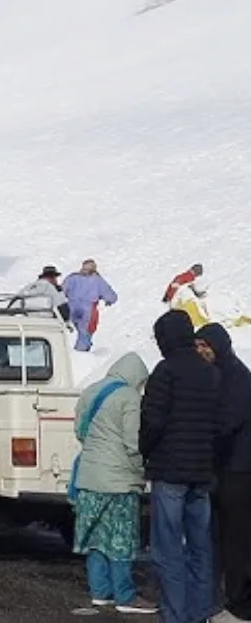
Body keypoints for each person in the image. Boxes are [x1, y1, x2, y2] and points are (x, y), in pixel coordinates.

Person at [140, 309, 221, 623]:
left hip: (170, 470)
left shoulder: (165, 371)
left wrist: (144, 451)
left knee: (168, 549)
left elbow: (152, 420)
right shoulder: (211, 372)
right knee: (200, 548)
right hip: (202, 471)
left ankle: (175, 615)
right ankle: (199, 614)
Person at [70, 352, 157, 614]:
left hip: (88, 478)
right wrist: (141, 472)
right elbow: (133, 443)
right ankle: (125, 597)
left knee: (96, 537)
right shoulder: (129, 397)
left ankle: (100, 592)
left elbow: (79, 431)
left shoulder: (91, 391)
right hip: (118, 482)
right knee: (120, 538)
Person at [197, 323, 251, 622]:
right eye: (198, 346)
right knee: (219, 536)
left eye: (205, 345)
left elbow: (227, 422)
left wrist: (199, 432)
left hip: (239, 469)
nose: (201, 351)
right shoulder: (219, 373)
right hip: (224, 468)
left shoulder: (237, 377)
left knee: (235, 538)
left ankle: (238, 601)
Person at [63, 259, 118, 352]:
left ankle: (68, 350)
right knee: (85, 331)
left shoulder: (72, 278)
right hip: (88, 310)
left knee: (73, 330)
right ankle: (81, 352)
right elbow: (110, 295)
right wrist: (109, 300)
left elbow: (62, 291)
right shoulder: (97, 280)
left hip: (71, 308)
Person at [165, 264, 210, 328]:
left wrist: (167, 296)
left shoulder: (186, 276)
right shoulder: (187, 277)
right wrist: (170, 296)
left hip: (178, 300)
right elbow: (175, 286)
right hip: (181, 301)